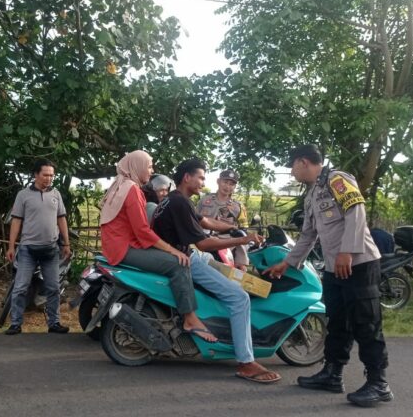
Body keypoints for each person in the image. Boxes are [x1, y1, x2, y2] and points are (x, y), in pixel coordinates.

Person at [264, 144, 391, 407]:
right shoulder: (312, 194)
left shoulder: (338, 180)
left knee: (366, 323)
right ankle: (333, 373)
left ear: (303, 162)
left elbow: (356, 211)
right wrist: (287, 263)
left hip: (359, 263)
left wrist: (348, 250)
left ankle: (379, 383)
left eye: (292, 166)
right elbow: (309, 235)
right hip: (335, 267)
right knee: (337, 322)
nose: (291, 171)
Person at [151, 159, 281, 384]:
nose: (203, 182)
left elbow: (206, 221)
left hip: (189, 255)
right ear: (187, 177)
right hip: (189, 258)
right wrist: (244, 239)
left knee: (241, 281)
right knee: (239, 297)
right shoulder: (181, 203)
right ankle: (245, 361)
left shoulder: (175, 199)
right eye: (201, 177)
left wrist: (232, 228)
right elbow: (203, 243)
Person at [99, 150, 217, 343]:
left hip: (117, 246)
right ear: (136, 166)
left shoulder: (120, 185)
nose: (151, 170)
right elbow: (142, 231)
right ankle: (189, 318)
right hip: (125, 249)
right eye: (149, 166)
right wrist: (172, 250)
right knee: (179, 263)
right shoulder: (131, 189)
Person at [4, 159, 71, 335]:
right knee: (20, 287)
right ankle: (16, 323)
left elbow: (61, 218)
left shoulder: (56, 194)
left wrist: (66, 242)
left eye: (52, 175)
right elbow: (16, 221)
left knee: (54, 288)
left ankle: (54, 323)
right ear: (36, 174)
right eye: (45, 175)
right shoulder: (23, 195)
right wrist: (11, 246)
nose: (49, 178)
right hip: (28, 250)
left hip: (50, 250)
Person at [196, 169, 250, 271]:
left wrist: (241, 261)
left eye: (231, 184)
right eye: (225, 182)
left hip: (226, 250)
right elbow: (193, 222)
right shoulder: (204, 201)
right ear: (218, 181)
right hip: (203, 244)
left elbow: (242, 234)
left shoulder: (238, 207)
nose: (227, 186)